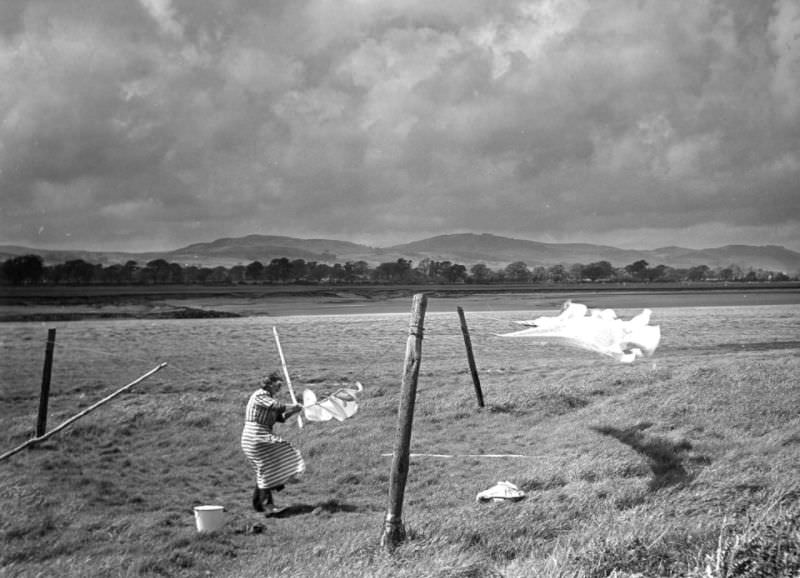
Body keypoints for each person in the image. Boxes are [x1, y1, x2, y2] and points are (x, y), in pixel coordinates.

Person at [241, 371, 304, 515]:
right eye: (278, 384)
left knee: (265, 469)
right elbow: (277, 406)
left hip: (261, 435)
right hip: (255, 435)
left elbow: (280, 417)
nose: (279, 387)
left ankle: (259, 505)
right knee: (270, 467)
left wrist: (294, 411)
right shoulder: (260, 395)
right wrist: (293, 405)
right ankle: (268, 507)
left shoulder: (268, 398)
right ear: (269, 384)